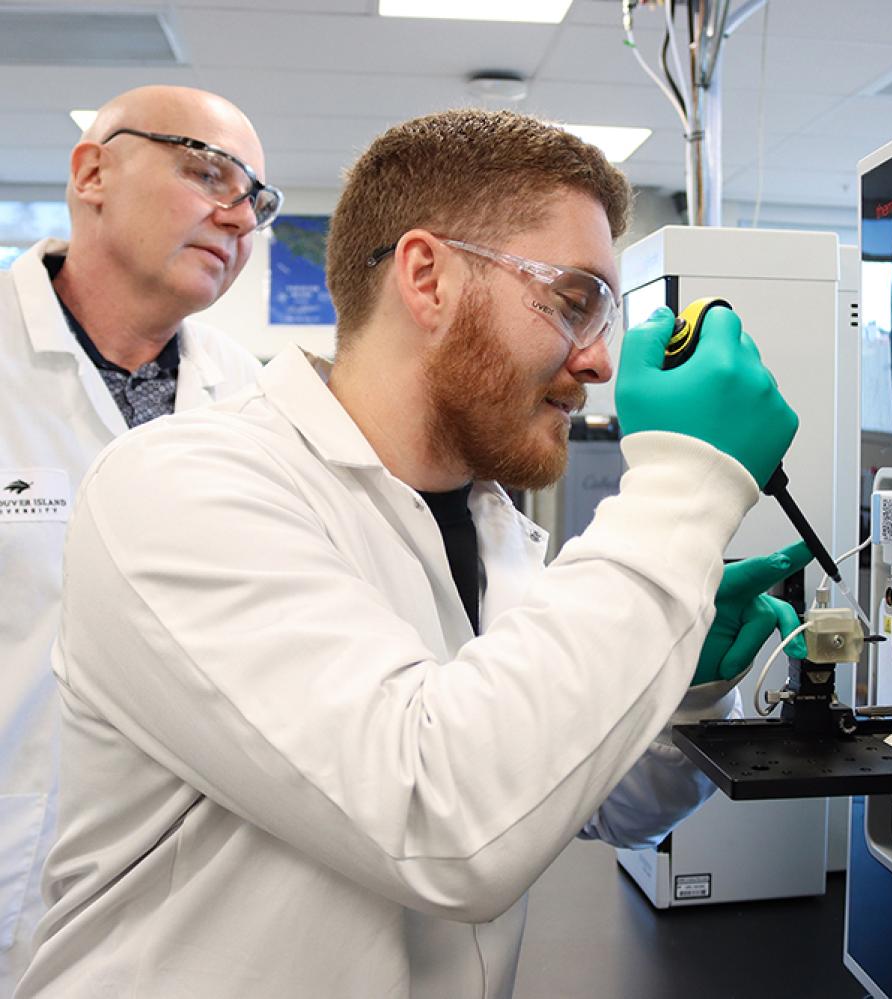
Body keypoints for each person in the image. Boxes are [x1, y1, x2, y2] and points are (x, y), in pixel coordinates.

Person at [16, 109, 809, 999]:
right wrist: (685, 485)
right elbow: (447, 819)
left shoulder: (489, 525)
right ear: (426, 277)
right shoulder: (180, 486)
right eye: (573, 299)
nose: (597, 360)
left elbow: (577, 798)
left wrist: (680, 688)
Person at [0, 84, 282, 995]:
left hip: (191, 908)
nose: (238, 217)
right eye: (208, 173)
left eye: (258, 201)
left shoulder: (256, 405)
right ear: (92, 173)